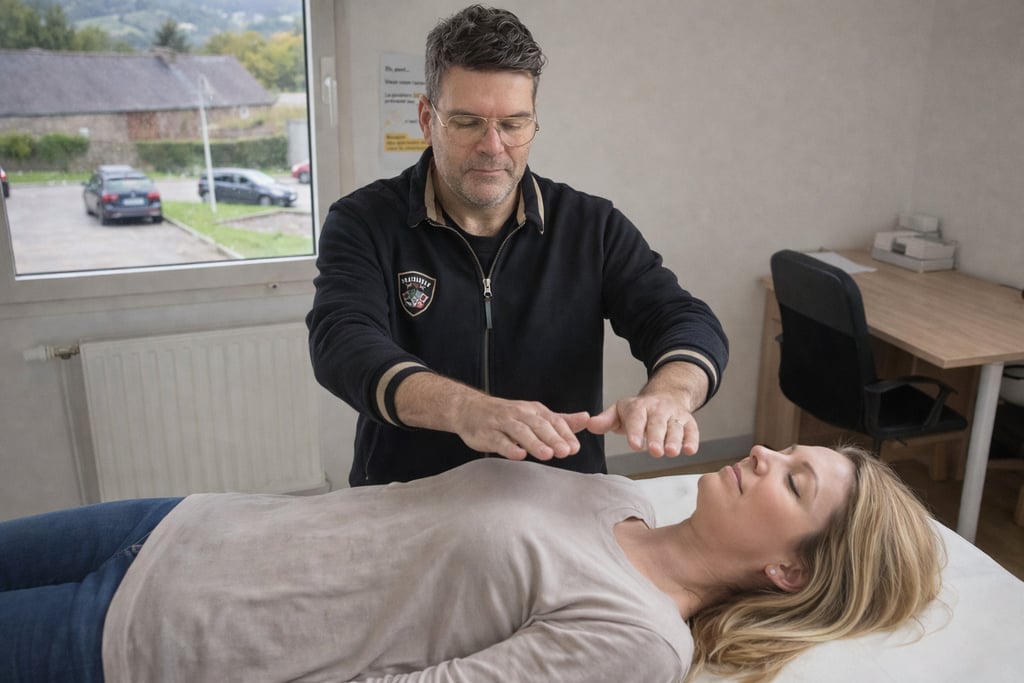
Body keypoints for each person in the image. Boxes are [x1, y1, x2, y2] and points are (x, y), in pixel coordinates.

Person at [0, 444, 942, 683]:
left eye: (797, 484)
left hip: (150, 635)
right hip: (181, 524)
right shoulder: (620, 497)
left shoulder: (639, 640)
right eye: (788, 453)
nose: (769, 457)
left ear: (789, 571)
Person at [307, 4, 730, 486]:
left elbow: (683, 319)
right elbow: (341, 341)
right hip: (408, 497)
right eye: (467, 122)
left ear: (533, 123)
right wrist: (465, 410)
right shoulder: (363, 222)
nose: (493, 146)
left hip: (559, 495)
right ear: (427, 118)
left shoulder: (592, 226)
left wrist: (670, 395)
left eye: (513, 123)